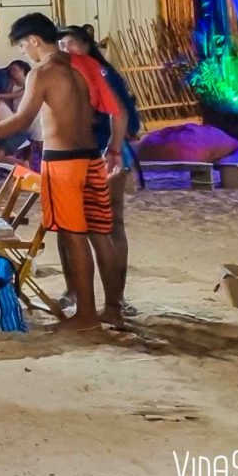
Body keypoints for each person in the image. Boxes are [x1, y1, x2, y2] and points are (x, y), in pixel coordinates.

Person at [0, 13, 127, 330]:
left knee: (75, 237)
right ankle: (113, 308)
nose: (24, 54)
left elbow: (19, 121)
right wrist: (113, 148)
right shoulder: (82, 64)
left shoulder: (42, 72)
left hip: (63, 161)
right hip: (91, 158)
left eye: (22, 47)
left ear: (33, 40)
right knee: (101, 233)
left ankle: (86, 316)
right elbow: (115, 109)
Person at [61, 24, 138, 316]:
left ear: (86, 45)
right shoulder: (70, 76)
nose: (66, 51)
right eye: (62, 46)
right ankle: (77, 291)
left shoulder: (101, 74)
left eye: (70, 44)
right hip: (80, 159)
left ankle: (115, 297)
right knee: (69, 228)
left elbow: (124, 116)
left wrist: (114, 150)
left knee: (108, 226)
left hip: (103, 157)